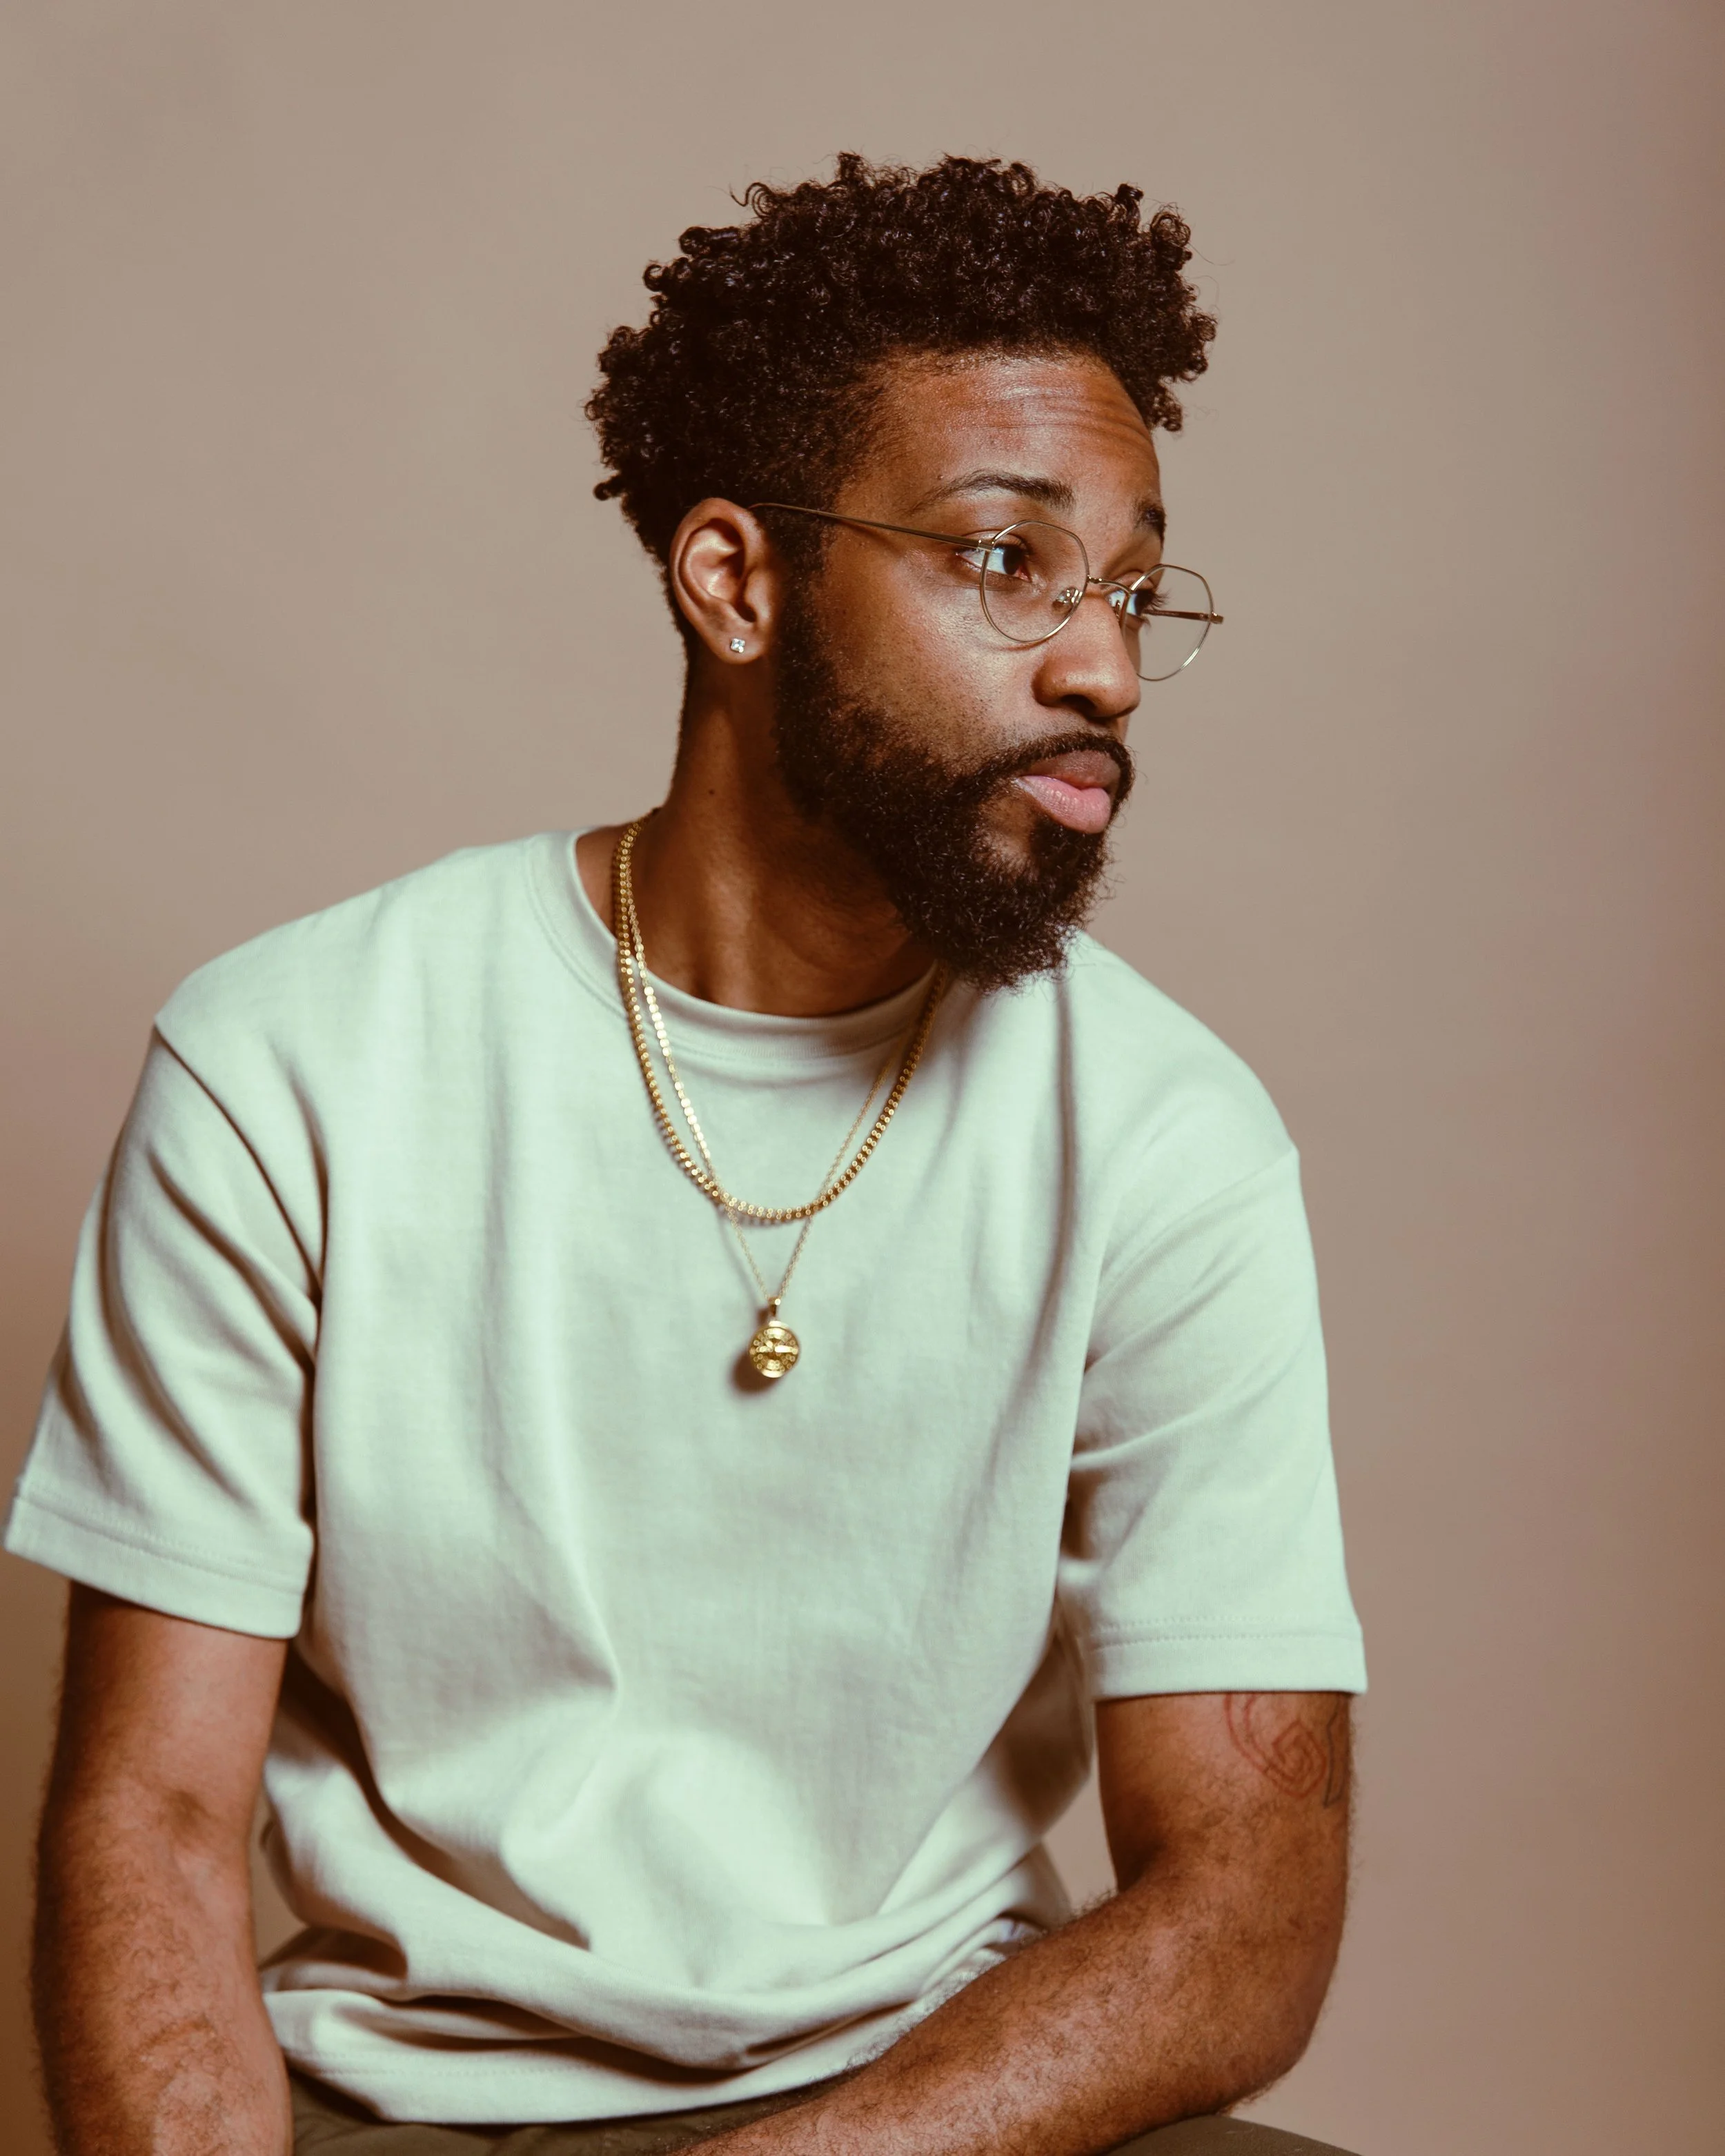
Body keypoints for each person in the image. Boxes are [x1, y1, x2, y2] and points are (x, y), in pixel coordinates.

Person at [6, 154, 1368, 2156]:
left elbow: (1249, 1902)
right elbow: (150, 1817)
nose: (1098, 664)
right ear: (734, 580)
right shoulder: (292, 1058)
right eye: (1007, 558)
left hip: (932, 2108)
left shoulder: (1170, 1138)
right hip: (401, 2107)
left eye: (1132, 589)